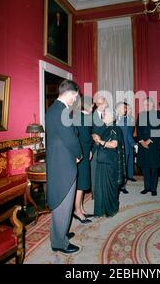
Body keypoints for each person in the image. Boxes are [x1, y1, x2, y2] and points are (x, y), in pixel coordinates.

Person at [45, 79, 82, 254]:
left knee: (62, 202)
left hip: (58, 161)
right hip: (64, 164)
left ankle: (60, 234)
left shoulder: (53, 109)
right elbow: (71, 138)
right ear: (69, 93)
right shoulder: (63, 112)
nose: (75, 100)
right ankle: (60, 243)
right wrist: (79, 154)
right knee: (63, 202)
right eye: (75, 96)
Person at [92, 108, 126, 217]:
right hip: (101, 161)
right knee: (100, 188)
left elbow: (114, 144)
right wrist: (96, 138)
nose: (102, 114)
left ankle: (111, 210)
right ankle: (100, 210)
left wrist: (100, 141)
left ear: (112, 117)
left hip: (110, 162)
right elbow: (100, 142)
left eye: (105, 113)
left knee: (110, 187)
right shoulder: (105, 128)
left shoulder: (115, 128)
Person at [73, 96, 94, 224]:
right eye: (91, 105)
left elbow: (86, 137)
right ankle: (77, 211)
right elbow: (82, 138)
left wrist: (90, 150)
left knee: (83, 181)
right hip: (80, 154)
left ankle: (81, 208)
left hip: (85, 152)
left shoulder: (84, 117)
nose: (93, 107)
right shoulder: (80, 118)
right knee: (80, 183)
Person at [136, 98, 160, 196]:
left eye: (147, 104)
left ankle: (153, 188)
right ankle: (146, 188)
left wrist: (149, 140)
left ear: (152, 104)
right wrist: (142, 141)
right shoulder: (141, 115)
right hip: (143, 145)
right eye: (144, 104)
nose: (145, 106)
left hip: (154, 145)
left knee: (154, 167)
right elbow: (138, 129)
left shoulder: (158, 114)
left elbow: (159, 129)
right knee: (145, 167)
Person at [116, 102, 136, 194]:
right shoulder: (112, 119)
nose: (125, 110)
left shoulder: (126, 120)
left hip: (125, 147)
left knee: (124, 167)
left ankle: (123, 186)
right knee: (115, 168)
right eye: (124, 108)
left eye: (126, 108)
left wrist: (133, 144)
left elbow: (128, 134)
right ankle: (115, 186)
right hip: (114, 147)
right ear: (118, 109)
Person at [91, 96, 108, 195]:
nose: (103, 105)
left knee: (103, 170)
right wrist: (93, 137)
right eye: (100, 103)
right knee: (94, 170)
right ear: (96, 105)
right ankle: (94, 192)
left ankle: (103, 190)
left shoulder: (108, 114)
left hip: (106, 147)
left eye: (104, 102)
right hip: (95, 147)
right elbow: (87, 132)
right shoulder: (91, 116)